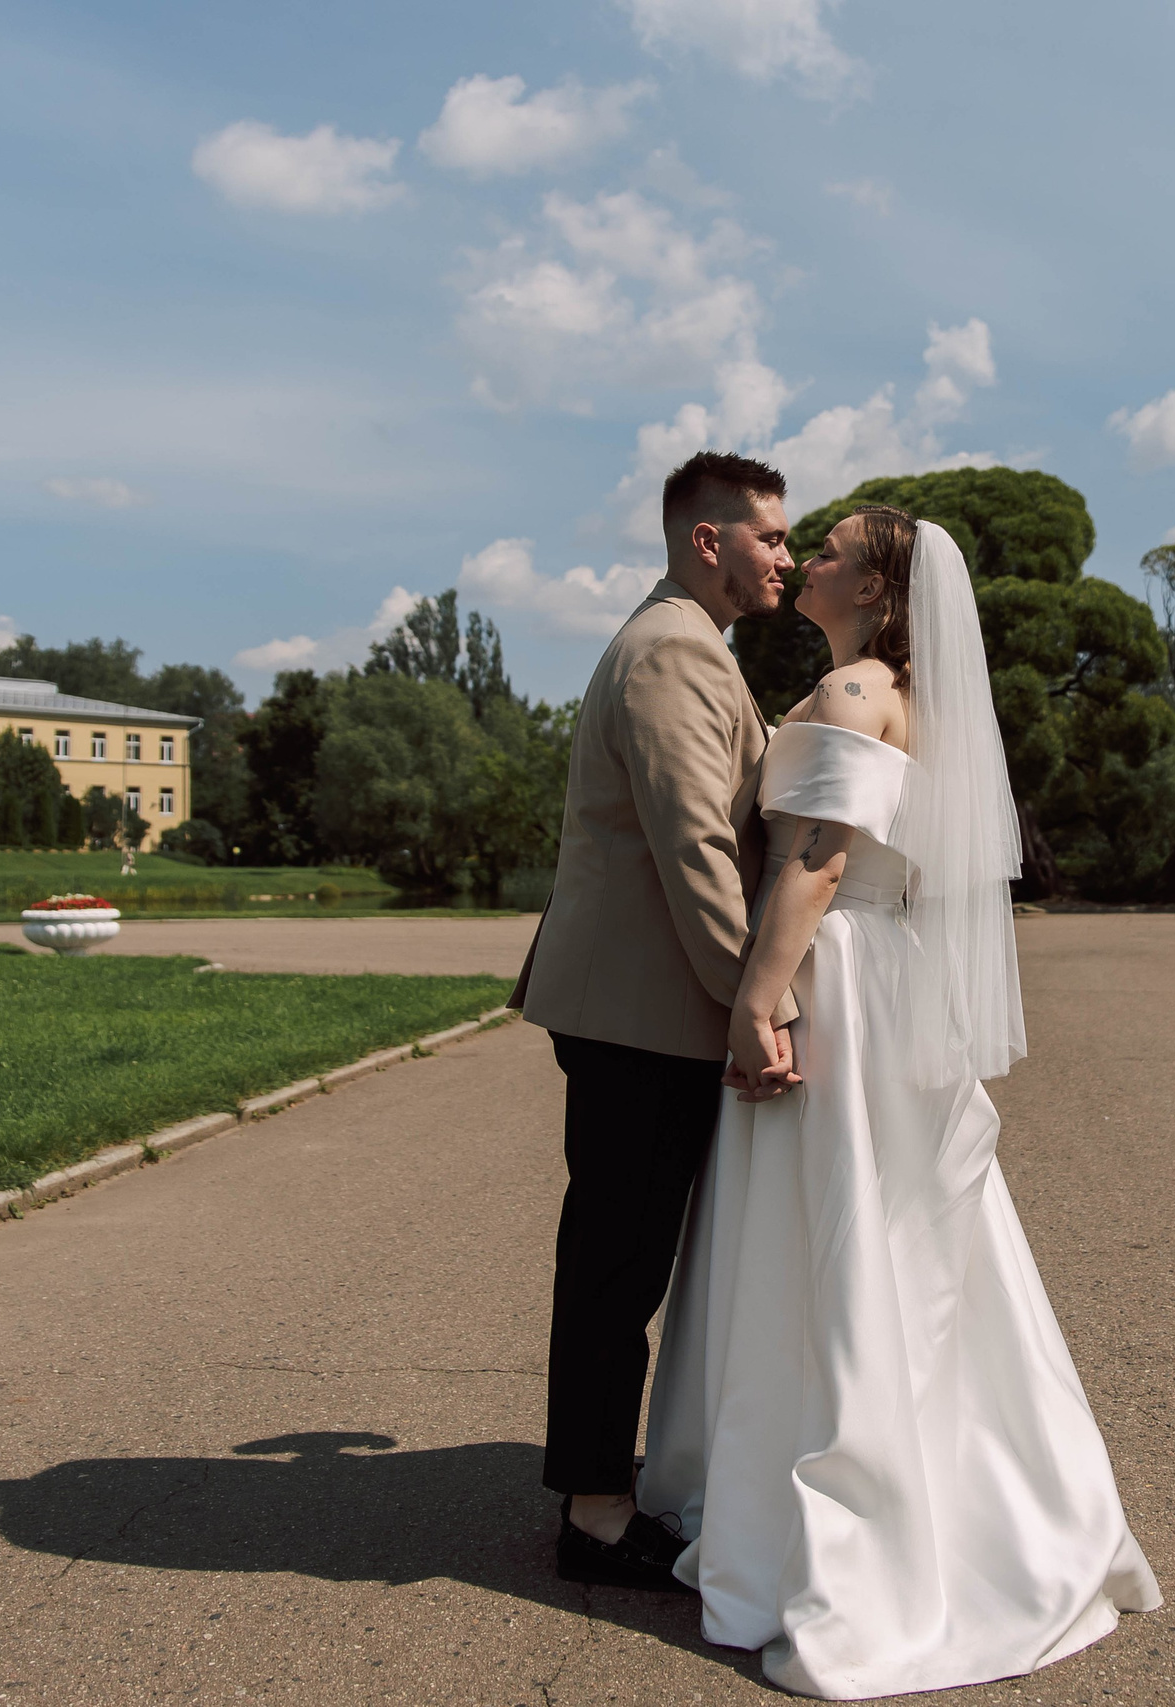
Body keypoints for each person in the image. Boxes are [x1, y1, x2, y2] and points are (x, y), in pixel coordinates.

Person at [640, 507, 1161, 1698]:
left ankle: (837, 1501)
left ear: (877, 589)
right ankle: (984, 1488)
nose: (802, 561)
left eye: (826, 551)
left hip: (838, 985)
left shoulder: (854, 697)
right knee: (909, 1239)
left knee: (828, 1235)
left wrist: (754, 1002)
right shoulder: (917, 701)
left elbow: (814, 863)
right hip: (896, 986)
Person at [508, 450, 798, 1592]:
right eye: (769, 536)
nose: (782, 554)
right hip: (644, 1014)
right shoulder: (674, 649)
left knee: (623, 1256)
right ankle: (592, 1514)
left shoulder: (691, 646)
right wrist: (751, 1003)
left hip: (644, 1006)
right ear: (706, 540)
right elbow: (695, 851)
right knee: (617, 1265)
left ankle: (604, 1488)